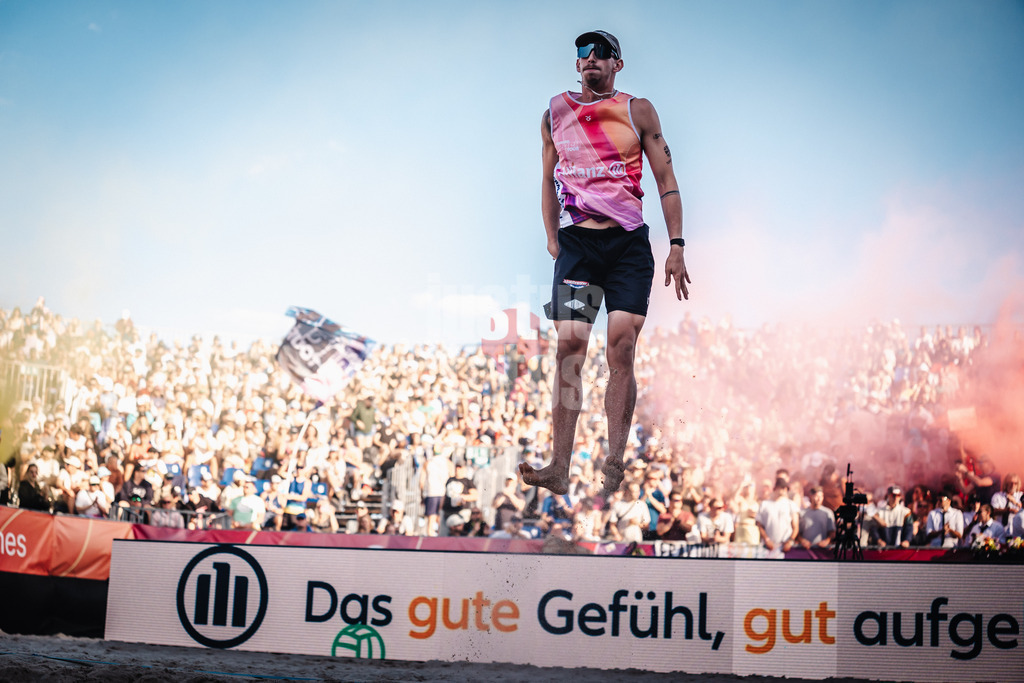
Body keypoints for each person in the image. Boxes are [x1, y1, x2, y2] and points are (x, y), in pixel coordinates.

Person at [520, 29, 689, 498]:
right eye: (583, 53)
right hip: (578, 247)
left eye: (601, 53)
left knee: (621, 348)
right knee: (569, 348)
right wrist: (553, 236)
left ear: (617, 64)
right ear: (576, 65)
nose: (590, 58)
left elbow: (665, 177)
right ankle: (559, 464)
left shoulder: (638, 111)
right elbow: (547, 177)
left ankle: (614, 460)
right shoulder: (554, 113)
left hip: (629, 247)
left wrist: (677, 243)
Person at [756, 478, 799, 558]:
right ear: (775, 488)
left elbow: (795, 527)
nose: (784, 490)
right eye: (782, 487)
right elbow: (759, 525)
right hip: (768, 547)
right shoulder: (765, 504)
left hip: (785, 547)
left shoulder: (791, 505)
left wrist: (790, 542)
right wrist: (766, 539)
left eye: (785, 488)